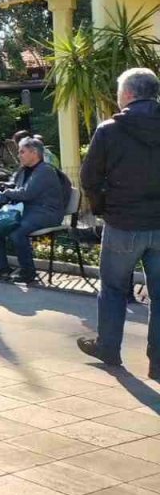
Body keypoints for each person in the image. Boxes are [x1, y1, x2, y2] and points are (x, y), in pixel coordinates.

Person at [77, 67, 160, 377]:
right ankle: (158, 362)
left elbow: (89, 178)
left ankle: (109, 348)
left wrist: (103, 208)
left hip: (123, 224)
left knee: (113, 289)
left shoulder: (109, 130)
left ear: (127, 94)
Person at [0, 138, 65, 283]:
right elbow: (14, 186)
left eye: (22, 152)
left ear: (34, 153)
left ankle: (28, 272)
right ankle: (1, 267)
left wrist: (7, 192)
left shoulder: (45, 170)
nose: (19, 155)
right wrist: (3, 189)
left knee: (17, 231)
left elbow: (27, 194)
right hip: (27, 211)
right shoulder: (23, 170)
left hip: (46, 213)